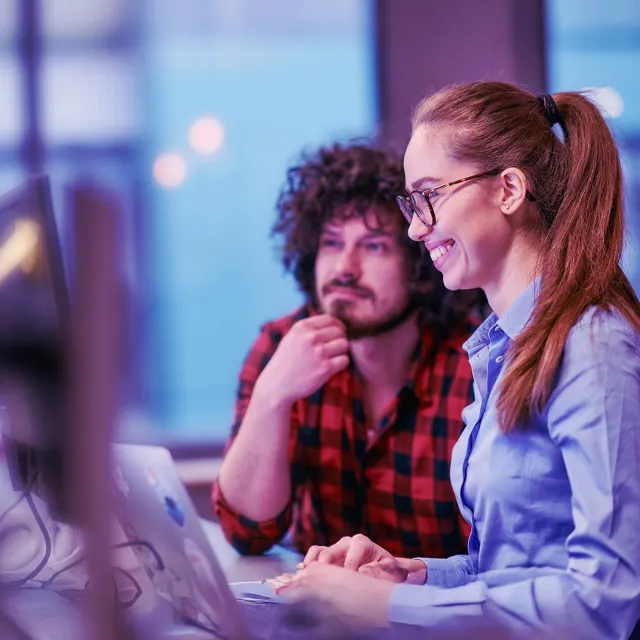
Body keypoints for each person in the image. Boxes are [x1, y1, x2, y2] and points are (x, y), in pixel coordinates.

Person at [274, 83, 640, 640]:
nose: (416, 227)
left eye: (428, 196)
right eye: (410, 203)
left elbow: (604, 600)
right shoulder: (503, 347)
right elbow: (511, 573)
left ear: (510, 189)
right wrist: (411, 577)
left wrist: (388, 606)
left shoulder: (591, 347)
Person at [213, 143, 485, 560]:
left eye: (374, 246)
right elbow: (245, 531)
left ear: (421, 263)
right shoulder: (281, 345)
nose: (345, 268)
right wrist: (272, 397)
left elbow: (491, 554)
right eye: (331, 243)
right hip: (324, 618)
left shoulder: (472, 364)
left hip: (436, 619)